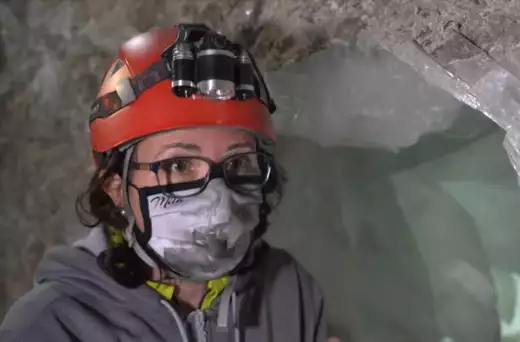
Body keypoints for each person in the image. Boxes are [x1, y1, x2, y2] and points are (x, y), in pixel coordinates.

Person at [0, 23, 330, 342]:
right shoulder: (48, 329)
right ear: (116, 188)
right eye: (179, 164)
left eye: (239, 161)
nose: (218, 195)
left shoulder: (289, 293)